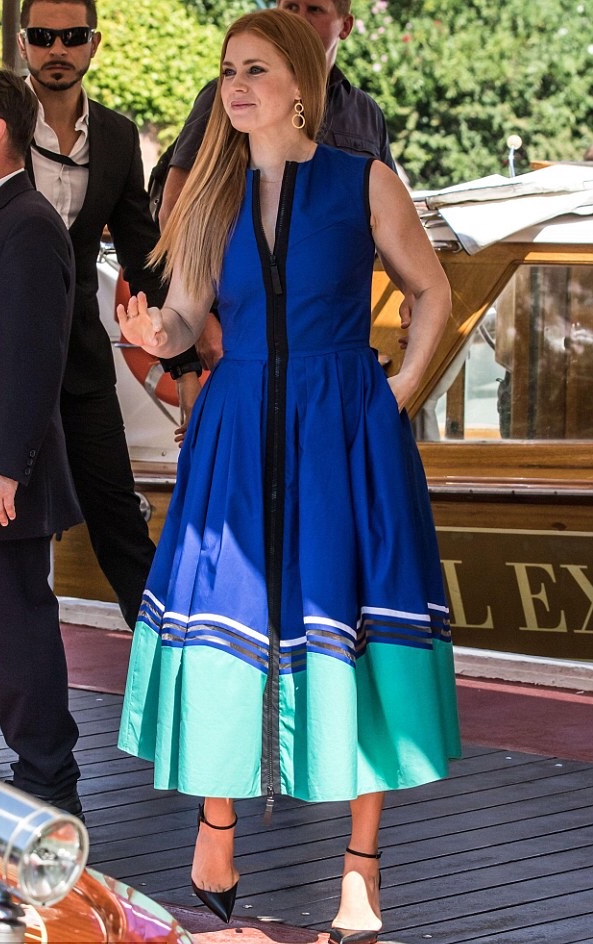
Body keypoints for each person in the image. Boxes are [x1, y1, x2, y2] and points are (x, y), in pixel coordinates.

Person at [117, 9, 460, 940]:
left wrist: (399, 392)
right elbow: (186, 314)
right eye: (228, 69)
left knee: (354, 618)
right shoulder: (209, 192)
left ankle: (360, 870)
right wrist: (156, 331)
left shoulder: (364, 178)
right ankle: (216, 828)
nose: (235, 86)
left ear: (300, 85)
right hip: (236, 421)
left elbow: (431, 291)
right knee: (226, 611)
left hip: (343, 423)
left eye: (255, 69)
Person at [16, 0, 202, 628]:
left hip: (81, 360)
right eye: (43, 36)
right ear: (24, 43)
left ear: (93, 44)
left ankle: (167, 655)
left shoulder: (119, 137)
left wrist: (185, 366)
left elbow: (143, 257)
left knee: (119, 521)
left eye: (72, 36)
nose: (57, 49)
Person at [158, 0, 401, 390]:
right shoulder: (223, 101)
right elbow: (177, 209)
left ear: (345, 25)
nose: (297, 17)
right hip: (238, 350)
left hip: (333, 367)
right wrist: (200, 321)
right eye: (290, 5)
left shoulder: (366, 112)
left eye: (314, 9)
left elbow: (389, 226)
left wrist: (408, 292)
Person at [0, 60, 84, 817]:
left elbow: (35, 361)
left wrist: (3, 466)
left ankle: (48, 785)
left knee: (19, 636)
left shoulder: (31, 225)